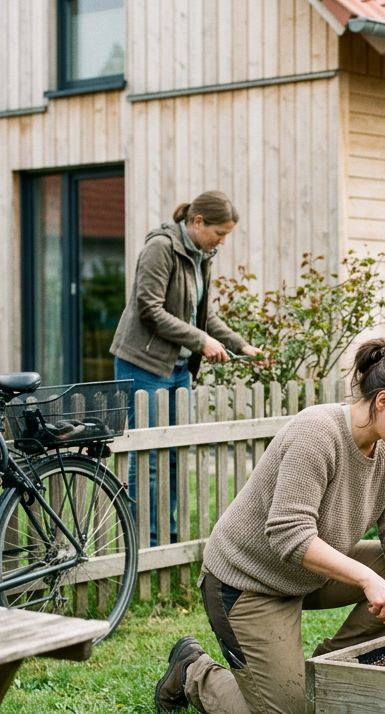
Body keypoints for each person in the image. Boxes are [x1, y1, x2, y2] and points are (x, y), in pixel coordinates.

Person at [153, 339, 385, 714]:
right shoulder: (317, 433)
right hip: (246, 583)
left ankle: (329, 666)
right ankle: (192, 670)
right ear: (383, 401)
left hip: (307, 575)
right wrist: (366, 578)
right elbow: (289, 534)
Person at [109, 191, 265, 545]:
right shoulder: (160, 248)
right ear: (197, 222)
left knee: (176, 455)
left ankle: (167, 533)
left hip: (179, 369)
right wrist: (200, 341)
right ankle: (143, 541)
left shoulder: (201, 255)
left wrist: (240, 344)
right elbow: (149, 308)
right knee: (147, 457)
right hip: (143, 363)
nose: (222, 242)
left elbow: (203, 315)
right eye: (219, 233)